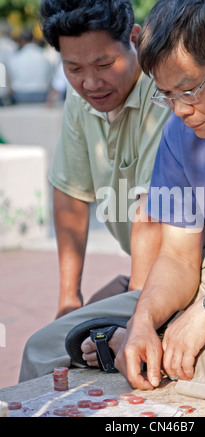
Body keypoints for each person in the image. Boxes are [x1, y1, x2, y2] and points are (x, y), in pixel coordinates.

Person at [19, 0, 205, 405]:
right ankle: (167, 355)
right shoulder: (183, 131)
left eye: (188, 90)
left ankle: (163, 362)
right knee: (44, 345)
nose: (181, 110)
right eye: (166, 96)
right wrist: (143, 322)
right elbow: (180, 259)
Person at [17, 0, 170, 381]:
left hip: (180, 272)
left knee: (45, 349)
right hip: (143, 273)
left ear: (135, 39)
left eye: (104, 65)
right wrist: (70, 297)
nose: (90, 82)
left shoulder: (165, 92)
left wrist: (133, 315)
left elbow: (150, 214)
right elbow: (70, 192)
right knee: (64, 332)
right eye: (73, 68)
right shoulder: (80, 97)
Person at [8, 29, 53, 104]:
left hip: (20, 95)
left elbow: (11, 79)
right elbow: (50, 77)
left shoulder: (16, 57)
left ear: (22, 41)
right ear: (34, 39)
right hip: (41, 94)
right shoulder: (44, 55)